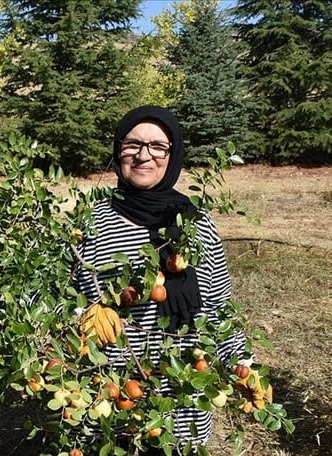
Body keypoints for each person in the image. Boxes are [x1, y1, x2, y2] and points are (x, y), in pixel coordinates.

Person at [71, 106, 248, 452]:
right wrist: (82, 316)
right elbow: (60, 294)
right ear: (118, 149)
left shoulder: (196, 224)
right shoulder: (92, 222)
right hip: (107, 399)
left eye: (158, 146)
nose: (143, 155)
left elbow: (218, 310)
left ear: (173, 154)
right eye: (132, 144)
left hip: (178, 406)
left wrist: (244, 364)